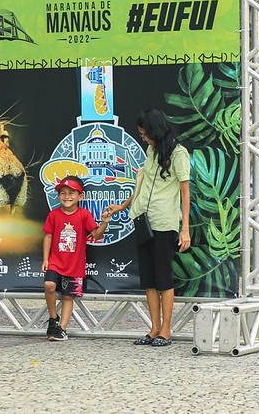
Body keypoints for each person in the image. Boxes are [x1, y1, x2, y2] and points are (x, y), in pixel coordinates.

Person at [104, 109, 190, 347]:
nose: (143, 138)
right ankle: (153, 328)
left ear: (156, 131)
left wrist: (185, 229)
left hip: (164, 222)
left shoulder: (179, 154)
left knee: (163, 277)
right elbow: (142, 184)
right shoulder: (150, 151)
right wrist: (121, 207)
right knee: (149, 280)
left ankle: (166, 330)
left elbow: (185, 192)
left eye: (145, 134)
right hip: (143, 219)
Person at [42, 175, 111, 341]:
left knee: (68, 296)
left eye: (71, 193)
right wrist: (46, 259)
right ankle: (53, 319)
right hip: (55, 263)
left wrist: (104, 223)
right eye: (63, 193)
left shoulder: (84, 215)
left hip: (75, 266)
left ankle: (62, 330)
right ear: (58, 196)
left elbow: (95, 234)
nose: (67, 196)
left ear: (80, 196)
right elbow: (48, 236)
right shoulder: (53, 215)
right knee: (49, 285)